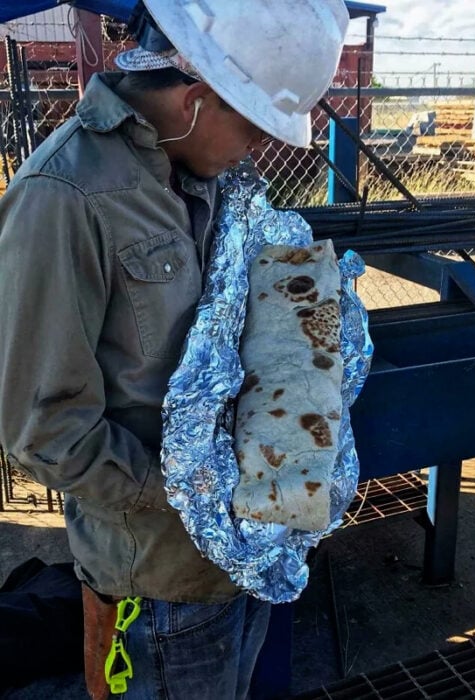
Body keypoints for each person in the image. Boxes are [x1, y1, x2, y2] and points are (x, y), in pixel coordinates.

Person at [0, 1, 349, 698]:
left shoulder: (200, 175)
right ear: (196, 98)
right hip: (158, 584)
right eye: (252, 126)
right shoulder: (65, 196)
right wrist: (199, 500)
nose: (254, 148)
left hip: (242, 555)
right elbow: (42, 430)